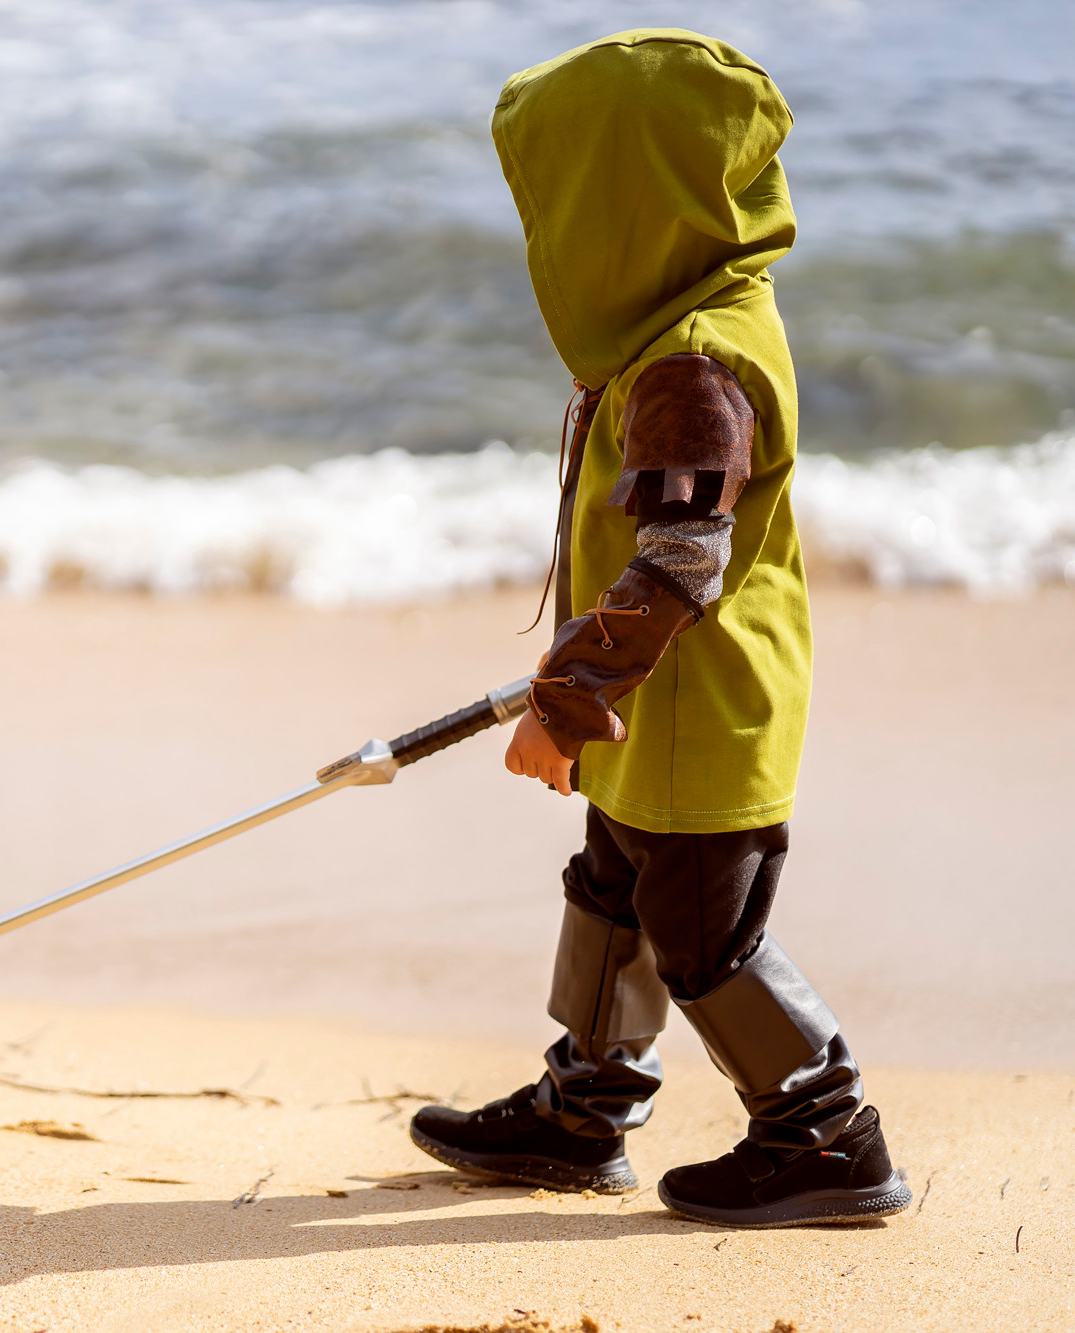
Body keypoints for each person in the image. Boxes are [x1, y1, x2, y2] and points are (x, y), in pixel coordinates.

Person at [407, 29, 912, 1228]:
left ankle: (826, 1133)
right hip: (660, 701)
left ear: (623, 205)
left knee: (704, 939)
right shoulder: (695, 317)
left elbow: (680, 564)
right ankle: (585, 1108)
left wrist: (564, 700)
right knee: (608, 886)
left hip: (690, 707)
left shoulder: (691, 359)